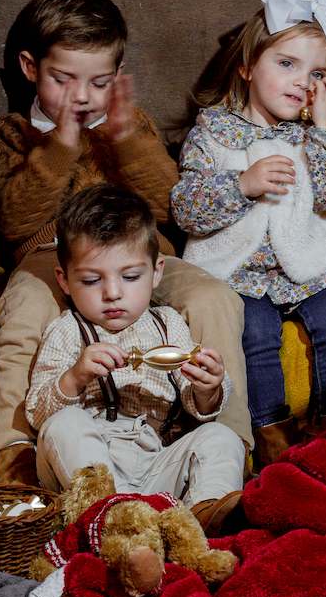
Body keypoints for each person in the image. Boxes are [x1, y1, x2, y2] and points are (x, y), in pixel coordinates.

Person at [0, 0, 250, 486]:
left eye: (99, 82)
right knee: (23, 304)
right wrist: (62, 144)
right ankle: (15, 457)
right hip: (55, 257)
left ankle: (231, 451)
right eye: (63, 80)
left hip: (141, 260)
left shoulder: (133, 125)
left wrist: (128, 140)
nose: (82, 97)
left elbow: (170, 208)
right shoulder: (13, 133)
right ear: (29, 68)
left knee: (214, 297)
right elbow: (14, 221)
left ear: (119, 75)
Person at [171, 0, 326, 467]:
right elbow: (187, 208)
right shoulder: (214, 132)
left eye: (317, 72)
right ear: (247, 66)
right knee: (252, 333)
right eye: (286, 63)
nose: (302, 81)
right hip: (239, 271)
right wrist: (242, 184)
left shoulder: (321, 132)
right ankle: (272, 444)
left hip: (314, 267)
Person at [27, 185, 246, 533]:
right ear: (64, 280)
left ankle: (200, 521)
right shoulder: (67, 330)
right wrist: (75, 377)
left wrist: (209, 389)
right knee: (64, 425)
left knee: (221, 438)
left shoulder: (168, 324)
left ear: (156, 272)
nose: (112, 292)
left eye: (130, 277)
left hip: (158, 459)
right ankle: (115, 525)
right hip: (94, 472)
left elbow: (195, 403)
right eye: (91, 280)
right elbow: (39, 415)